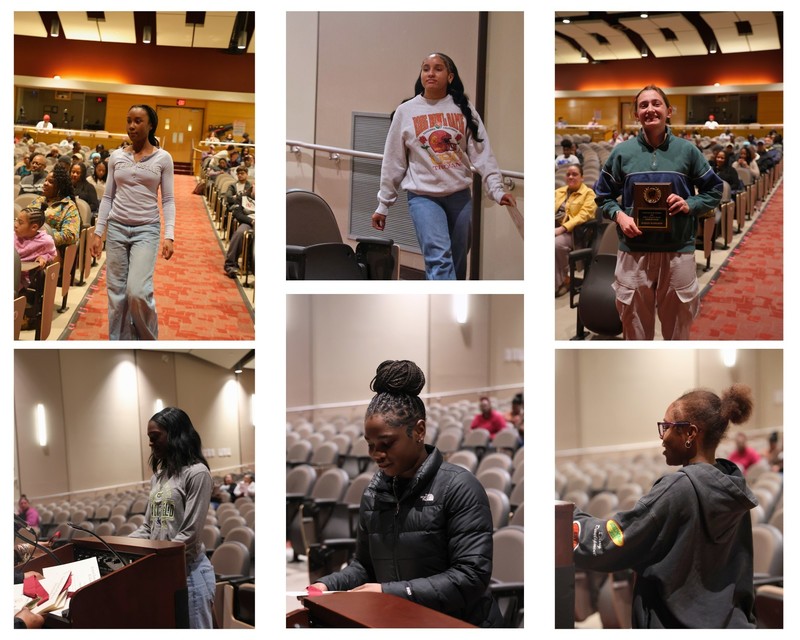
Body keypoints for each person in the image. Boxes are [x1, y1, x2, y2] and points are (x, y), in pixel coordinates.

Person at [310, 360, 502, 626]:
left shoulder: (460, 487)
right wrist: (327, 585)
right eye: (370, 445)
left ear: (419, 431)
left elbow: (470, 577)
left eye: (386, 443)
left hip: (459, 625)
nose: (376, 454)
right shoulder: (374, 493)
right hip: (404, 621)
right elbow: (365, 566)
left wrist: (390, 592)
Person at [572, 384, 757, 628]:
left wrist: (566, 518)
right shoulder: (733, 487)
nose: (662, 437)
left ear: (690, 433)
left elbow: (614, 541)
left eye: (666, 427)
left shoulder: (678, 489)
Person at [593, 85, 724, 340]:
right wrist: (620, 216)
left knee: (678, 333)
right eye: (643, 105)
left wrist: (689, 204)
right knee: (635, 332)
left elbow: (714, 190)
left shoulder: (687, 151)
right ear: (636, 114)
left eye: (656, 103)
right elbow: (602, 195)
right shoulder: (622, 153)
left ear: (668, 111)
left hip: (677, 251)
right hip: (633, 252)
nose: (650, 109)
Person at [371, 52, 516, 280]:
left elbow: (483, 154)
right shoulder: (405, 111)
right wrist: (383, 204)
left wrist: (496, 190)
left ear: (450, 76)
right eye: (426, 68)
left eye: (438, 68)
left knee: (458, 263)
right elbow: (393, 161)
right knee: (439, 260)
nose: (431, 73)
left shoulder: (464, 109)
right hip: (423, 197)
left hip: (459, 197)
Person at [90, 104, 175, 340]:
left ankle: (148, 341)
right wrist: (98, 232)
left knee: (137, 291)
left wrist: (169, 235)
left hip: (146, 229)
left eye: (138, 121)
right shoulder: (117, 157)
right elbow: (108, 197)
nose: (131, 126)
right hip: (117, 228)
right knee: (116, 294)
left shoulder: (163, 158)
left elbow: (168, 200)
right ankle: (119, 342)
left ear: (150, 125)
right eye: (129, 120)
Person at [129, 407, 215, 628]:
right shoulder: (158, 478)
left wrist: (157, 561)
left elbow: (190, 534)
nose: (150, 443)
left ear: (175, 434)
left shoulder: (197, 473)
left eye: (155, 436)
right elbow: (148, 528)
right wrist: (118, 545)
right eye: (149, 438)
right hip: (164, 570)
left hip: (189, 574)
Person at [554, 163, 596, 297]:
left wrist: (562, 228)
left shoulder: (588, 194)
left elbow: (584, 215)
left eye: (575, 174)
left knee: (556, 244)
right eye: (568, 174)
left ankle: (562, 281)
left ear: (582, 177)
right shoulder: (559, 192)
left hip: (575, 233)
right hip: (555, 228)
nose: (571, 177)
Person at [28, 165, 81, 249]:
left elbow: (70, 235)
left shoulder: (68, 206)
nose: (45, 183)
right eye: (45, 180)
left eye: (50, 182)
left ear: (60, 187)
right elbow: (24, 218)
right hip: (28, 242)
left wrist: (42, 236)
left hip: (52, 249)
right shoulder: (38, 200)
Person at [14, 206, 57, 292]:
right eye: (16, 220)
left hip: (19, 278)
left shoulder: (45, 241)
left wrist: (44, 257)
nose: (15, 225)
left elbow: (53, 254)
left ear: (34, 227)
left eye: (20, 222)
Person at [223, 171, 255, 278]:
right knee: (239, 233)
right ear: (253, 186)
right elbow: (237, 213)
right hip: (249, 222)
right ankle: (230, 265)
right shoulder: (243, 197)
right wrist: (251, 221)